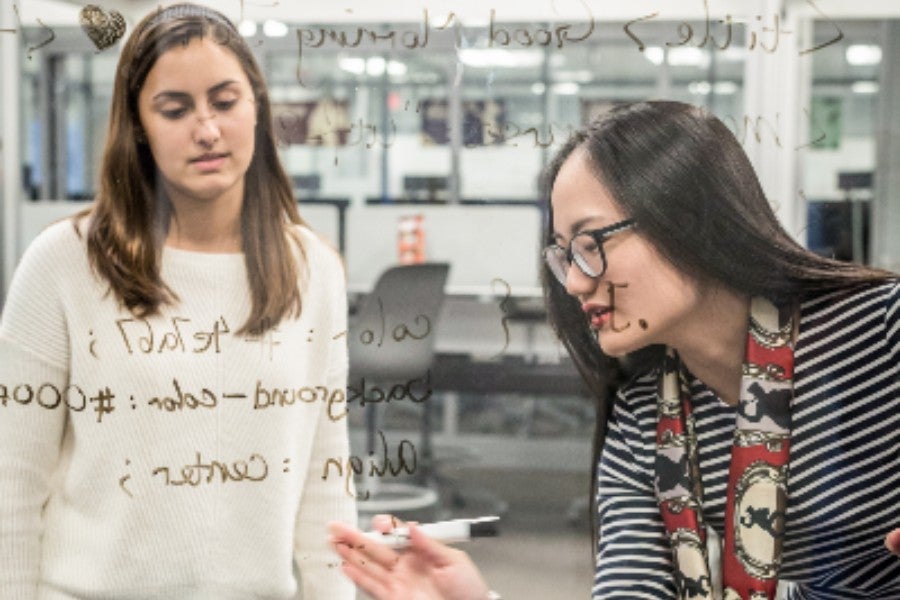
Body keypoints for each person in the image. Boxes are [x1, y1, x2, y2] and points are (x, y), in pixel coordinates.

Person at [328, 101, 900, 599]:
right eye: (562, 254)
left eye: (590, 243)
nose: (574, 282)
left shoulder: (877, 330)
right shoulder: (644, 417)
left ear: (689, 218)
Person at [0, 4, 355, 598]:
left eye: (224, 101)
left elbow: (325, 477)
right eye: (175, 109)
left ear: (257, 106)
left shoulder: (311, 269)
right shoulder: (63, 261)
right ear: (137, 125)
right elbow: (12, 480)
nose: (207, 129)